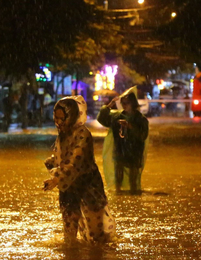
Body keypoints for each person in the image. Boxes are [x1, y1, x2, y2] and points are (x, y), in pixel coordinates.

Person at [43, 96, 117, 244]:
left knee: (98, 238)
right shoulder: (63, 134)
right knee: (69, 233)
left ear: (71, 117)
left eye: (62, 118)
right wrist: (52, 162)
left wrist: (56, 179)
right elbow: (63, 156)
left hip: (88, 188)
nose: (58, 122)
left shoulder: (83, 134)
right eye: (56, 118)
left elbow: (75, 162)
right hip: (69, 188)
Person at [97, 86, 149, 194]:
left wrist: (130, 127)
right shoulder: (117, 116)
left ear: (133, 104)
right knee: (118, 177)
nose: (124, 105)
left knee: (134, 178)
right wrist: (109, 106)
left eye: (127, 103)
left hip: (135, 152)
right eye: (123, 103)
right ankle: (119, 194)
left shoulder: (141, 119)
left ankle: (134, 195)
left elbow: (142, 135)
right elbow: (102, 119)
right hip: (120, 150)